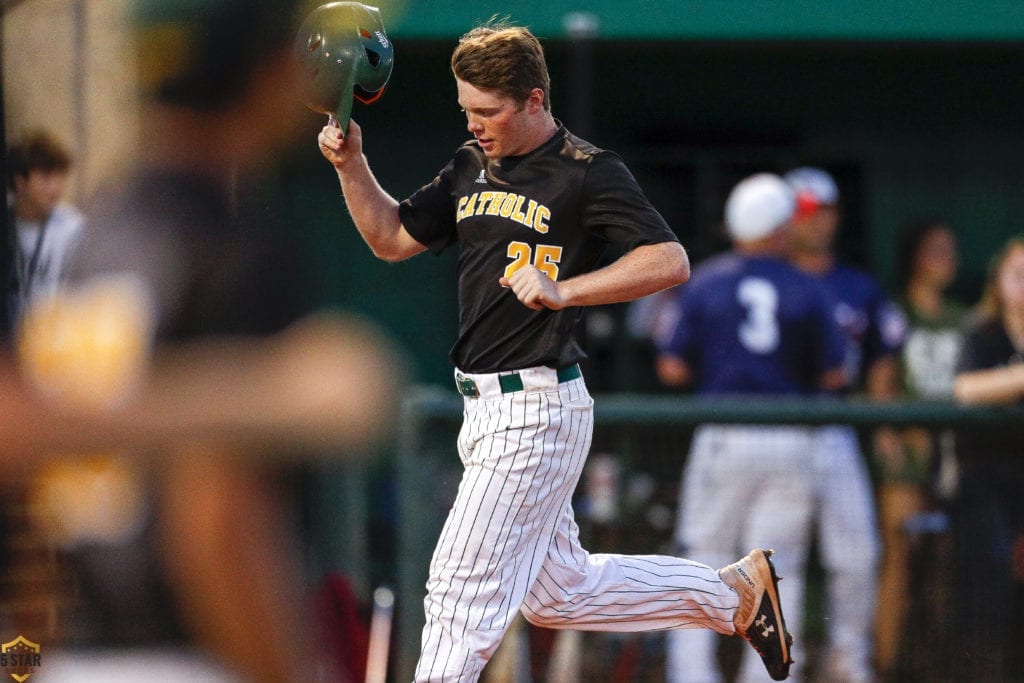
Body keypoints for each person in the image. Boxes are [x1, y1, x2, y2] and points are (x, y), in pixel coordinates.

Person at [317, 20, 795, 683]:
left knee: (458, 595)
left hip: (535, 406)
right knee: (558, 592)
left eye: (489, 110)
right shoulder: (469, 164)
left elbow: (669, 259)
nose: (476, 123)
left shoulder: (587, 172)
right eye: (467, 109)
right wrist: (351, 165)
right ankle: (732, 593)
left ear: (535, 100)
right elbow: (391, 237)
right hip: (483, 408)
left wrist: (565, 288)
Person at [8, 2, 401, 682]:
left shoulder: (93, 236)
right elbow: (218, 512)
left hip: (78, 653)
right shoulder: (233, 240)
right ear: (272, 71)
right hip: (196, 652)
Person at [655, 173, 847, 683]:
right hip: (789, 435)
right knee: (775, 569)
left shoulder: (708, 280)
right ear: (778, 228)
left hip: (725, 433)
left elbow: (670, 367)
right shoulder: (807, 284)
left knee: (702, 560)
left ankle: (691, 674)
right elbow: (835, 372)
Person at [784, 166, 906, 683]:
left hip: (836, 428)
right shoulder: (763, 274)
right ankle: (778, 664)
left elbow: (882, 358)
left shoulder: (857, 285)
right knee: (777, 559)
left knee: (858, 555)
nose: (817, 223)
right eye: (805, 212)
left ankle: (848, 661)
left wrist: (884, 427)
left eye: (824, 212)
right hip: (776, 428)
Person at [875, 218, 965, 678]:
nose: (946, 258)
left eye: (950, 249)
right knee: (901, 561)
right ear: (913, 256)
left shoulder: (962, 318)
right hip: (907, 458)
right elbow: (879, 380)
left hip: (953, 457)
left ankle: (939, 665)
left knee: (948, 567)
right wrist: (887, 434)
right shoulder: (895, 312)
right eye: (935, 249)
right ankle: (887, 667)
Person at [949, 235, 1024, 682]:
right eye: (1017, 275)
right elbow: (965, 391)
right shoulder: (982, 331)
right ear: (999, 282)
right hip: (988, 480)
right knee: (990, 589)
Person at [4, 130, 85, 336]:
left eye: (61, 177)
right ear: (20, 181)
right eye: (46, 177)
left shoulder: (72, 227)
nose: (56, 188)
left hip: (53, 343)